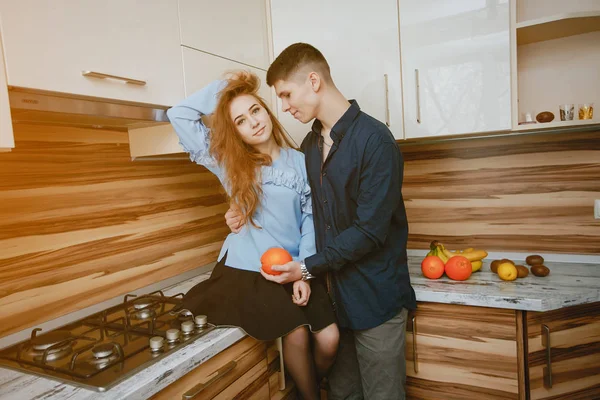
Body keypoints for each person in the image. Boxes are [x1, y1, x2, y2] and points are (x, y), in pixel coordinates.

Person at [225, 43, 416, 400]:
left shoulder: (375, 141)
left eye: (286, 93)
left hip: (376, 300)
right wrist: (239, 210)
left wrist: (306, 269)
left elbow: (369, 232)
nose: (283, 106)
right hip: (336, 298)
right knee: (343, 394)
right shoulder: (310, 146)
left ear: (313, 81)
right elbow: (304, 211)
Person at [167, 71, 339, 400]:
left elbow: (309, 220)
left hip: (292, 266)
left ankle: (306, 387)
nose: (254, 123)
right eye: (241, 121)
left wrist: (303, 269)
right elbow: (179, 115)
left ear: (267, 110)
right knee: (297, 334)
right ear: (237, 133)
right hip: (248, 269)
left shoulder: (302, 162)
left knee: (330, 339)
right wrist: (227, 90)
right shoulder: (230, 163)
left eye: (255, 111)